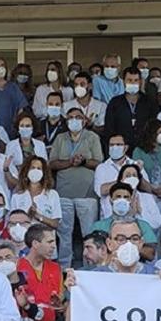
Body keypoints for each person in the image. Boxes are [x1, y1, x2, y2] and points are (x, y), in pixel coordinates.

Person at [48, 107, 104, 266]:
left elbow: (99, 163)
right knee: (64, 234)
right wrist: (69, 162)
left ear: (84, 120)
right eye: (71, 117)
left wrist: (84, 161)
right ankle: (64, 267)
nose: (74, 120)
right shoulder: (60, 138)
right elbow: (52, 163)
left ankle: (91, 266)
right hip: (64, 193)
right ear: (66, 121)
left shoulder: (92, 137)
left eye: (78, 117)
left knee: (88, 234)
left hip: (87, 194)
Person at [102, 67, 157, 147]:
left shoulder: (150, 102)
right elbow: (109, 130)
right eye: (129, 80)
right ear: (123, 81)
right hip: (121, 149)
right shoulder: (115, 103)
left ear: (140, 82)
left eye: (136, 80)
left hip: (145, 148)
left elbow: (154, 126)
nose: (133, 83)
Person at [132, 119, 161, 218]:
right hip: (146, 196)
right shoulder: (139, 151)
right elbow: (137, 173)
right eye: (160, 132)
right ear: (152, 134)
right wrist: (152, 189)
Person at [3, 112, 47, 190]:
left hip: (38, 187)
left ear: (33, 128)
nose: (25, 128)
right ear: (18, 128)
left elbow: (45, 168)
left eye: (28, 126)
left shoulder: (40, 145)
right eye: (22, 126)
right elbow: (9, 168)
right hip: (17, 186)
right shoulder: (11, 145)